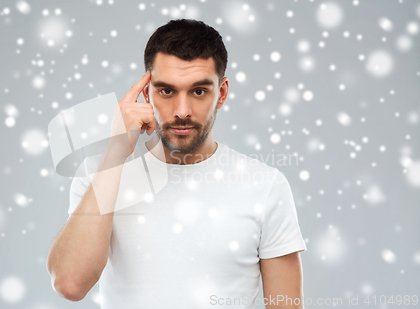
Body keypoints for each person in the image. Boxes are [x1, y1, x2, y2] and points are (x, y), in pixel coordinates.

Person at [47, 19, 307, 308]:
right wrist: (115, 152)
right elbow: (70, 284)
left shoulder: (265, 185)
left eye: (198, 91)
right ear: (147, 93)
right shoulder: (101, 174)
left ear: (220, 94)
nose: (182, 111)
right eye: (167, 91)